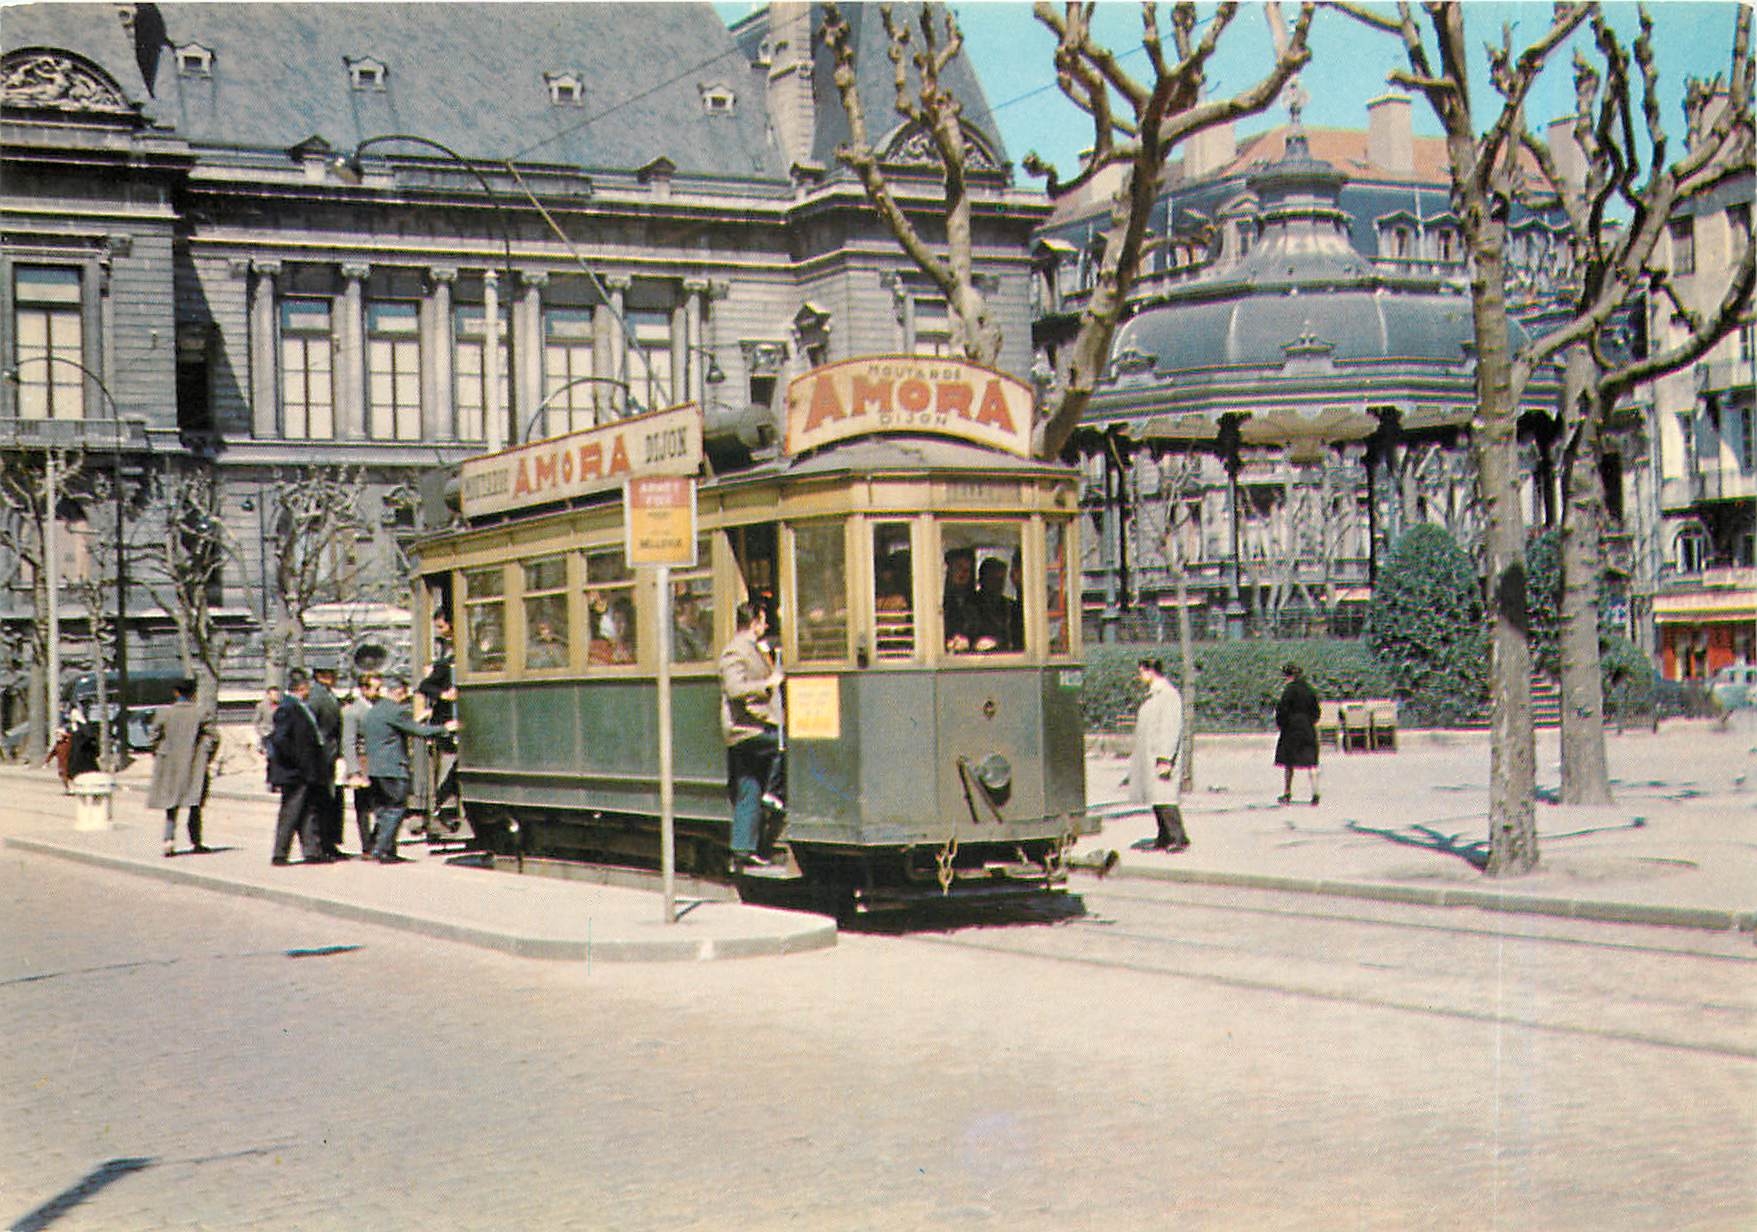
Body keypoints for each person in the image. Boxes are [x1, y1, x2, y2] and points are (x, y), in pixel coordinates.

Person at [361, 675, 455, 863]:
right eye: (403, 694)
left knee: (382, 810)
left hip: (375, 769)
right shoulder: (395, 711)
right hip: (394, 768)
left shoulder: (373, 711)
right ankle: (381, 850)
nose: (404, 698)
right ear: (397, 692)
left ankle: (384, 849)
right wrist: (445, 728)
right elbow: (419, 731)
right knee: (396, 809)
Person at [719, 602, 784, 869]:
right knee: (783, 746)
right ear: (754, 622)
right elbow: (735, 688)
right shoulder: (735, 650)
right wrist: (767, 684)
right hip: (746, 729)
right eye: (763, 621)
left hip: (753, 726)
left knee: (749, 788)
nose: (765, 626)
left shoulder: (754, 648)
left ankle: (743, 850)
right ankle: (775, 793)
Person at [146, 677, 218, 857]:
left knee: (171, 805)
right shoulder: (201, 713)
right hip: (194, 764)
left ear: (176, 693)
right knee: (195, 804)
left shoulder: (164, 713)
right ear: (194, 693)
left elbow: (153, 736)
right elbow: (214, 737)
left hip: (170, 764)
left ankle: (168, 841)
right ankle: (196, 841)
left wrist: (159, 753)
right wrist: (206, 755)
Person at [268, 669, 330, 865]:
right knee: (291, 811)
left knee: (307, 810)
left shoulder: (300, 707)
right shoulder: (288, 708)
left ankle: (312, 851)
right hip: (295, 771)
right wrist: (297, 760)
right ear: (301, 688)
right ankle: (280, 853)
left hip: (306, 770)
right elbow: (280, 739)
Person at [1128, 658, 1188, 851]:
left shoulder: (1168, 695)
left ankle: (1178, 837)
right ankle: (1164, 836)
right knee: (1157, 799)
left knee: (1166, 799)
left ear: (1151, 671)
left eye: (1141, 672)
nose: (1140, 676)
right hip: (1151, 755)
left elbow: (1170, 728)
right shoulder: (1155, 695)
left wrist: (1165, 758)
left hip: (1161, 756)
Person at [341, 672, 382, 854]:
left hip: (380, 760)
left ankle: (377, 840)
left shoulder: (380, 707)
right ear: (364, 689)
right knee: (364, 807)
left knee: (385, 804)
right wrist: (353, 770)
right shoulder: (353, 712)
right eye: (376, 689)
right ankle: (367, 845)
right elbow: (349, 742)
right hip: (363, 761)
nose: (379, 692)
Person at [307, 666, 346, 856]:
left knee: (332, 800)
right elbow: (311, 725)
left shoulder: (328, 694)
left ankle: (329, 843)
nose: (335, 677)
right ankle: (321, 845)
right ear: (320, 676)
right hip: (321, 756)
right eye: (331, 673)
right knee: (322, 801)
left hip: (330, 755)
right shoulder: (316, 696)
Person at [1274, 662, 1321, 806]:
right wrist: (1310, 721)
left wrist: (1281, 724)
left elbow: (1282, 710)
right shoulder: (1310, 690)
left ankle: (1287, 792)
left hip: (1291, 728)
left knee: (1289, 762)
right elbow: (1316, 711)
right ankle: (1315, 792)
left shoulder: (1288, 691)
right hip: (1307, 728)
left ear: (1289, 676)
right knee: (1311, 762)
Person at [970, 556, 1019, 652]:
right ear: (981, 580)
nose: (997, 585)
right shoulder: (970, 606)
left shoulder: (1011, 607)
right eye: (992, 579)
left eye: (1000, 580)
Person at [942, 547, 981, 652]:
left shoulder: (977, 602)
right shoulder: (939, 601)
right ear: (949, 570)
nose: (963, 573)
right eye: (959, 567)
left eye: (967, 570)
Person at [252, 685, 281, 756]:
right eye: (274, 695)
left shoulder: (281, 706)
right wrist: (261, 732)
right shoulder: (261, 706)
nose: (276, 697)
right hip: (266, 732)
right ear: (268, 695)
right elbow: (256, 721)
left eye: (277, 695)